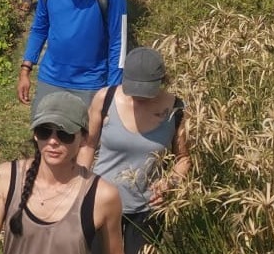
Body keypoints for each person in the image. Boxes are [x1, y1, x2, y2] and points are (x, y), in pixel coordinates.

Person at [0, 92, 125, 254]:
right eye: (44, 132)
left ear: (83, 138)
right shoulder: (6, 177)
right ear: (35, 134)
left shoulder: (103, 196)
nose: (53, 141)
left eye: (64, 134)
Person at [80, 47, 191, 254]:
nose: (138, 96)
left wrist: (172, 183)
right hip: (101, 201)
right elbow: (87, 145)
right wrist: (80, 184)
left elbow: (183, 158)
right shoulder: (105, 99)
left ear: (161, 81)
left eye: (145, 90)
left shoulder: (176, 110)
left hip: (147, 208)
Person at [18, 0, 127, 110]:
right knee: (44, 134)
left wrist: (112, 89)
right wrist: (26, 69)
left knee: (85, 137)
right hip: (51, 79)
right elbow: (39, 29)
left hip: (91, 83)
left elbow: (118, 42)